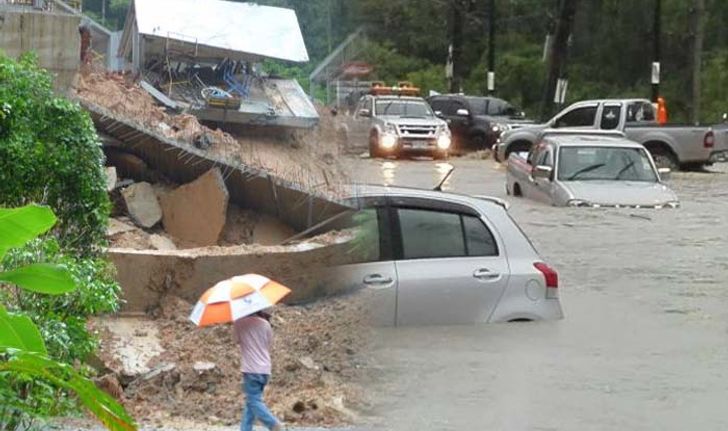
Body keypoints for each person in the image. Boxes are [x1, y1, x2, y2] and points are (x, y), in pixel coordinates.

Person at [233, 309, 282, 431]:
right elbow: (269, 343)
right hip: (265, 369)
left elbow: (236, 340)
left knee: (253, 401)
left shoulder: (239, 323)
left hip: (251, 369)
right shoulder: (265, 323)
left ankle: (273, 423)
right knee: (251, 401)